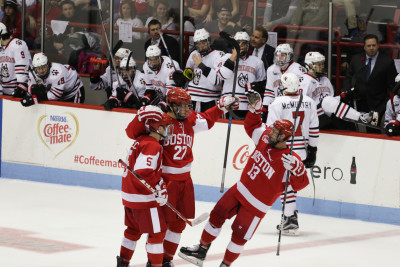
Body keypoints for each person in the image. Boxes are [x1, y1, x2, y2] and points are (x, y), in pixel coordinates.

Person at [178, 89, 309, 267]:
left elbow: (301, 183)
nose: (271, 133)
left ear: (286, 138)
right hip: (239, 189)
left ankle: (225, 264)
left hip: (256, 205)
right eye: (273, 130)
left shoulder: (289, 160)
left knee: (239, 237)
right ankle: (201, 251)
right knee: (216, 215)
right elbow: (253, 126)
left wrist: (297, 168)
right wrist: (255, 110)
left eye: (276, 132)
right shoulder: (265, 137)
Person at [125, 88, 239, 266]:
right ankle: (152, 261)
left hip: (185, 181)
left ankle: (166, 260)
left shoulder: (190, 119)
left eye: (188, 106)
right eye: (183, 106)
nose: (187, 110)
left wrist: (221, 107)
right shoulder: (160, 121)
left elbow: (207, 120)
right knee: (160, 227)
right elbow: (133, 133)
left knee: (179, 225)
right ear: (171, 105)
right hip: (166, 181)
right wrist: (140, 116)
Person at [116, 108, 174, 267]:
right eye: (166, 126)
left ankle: (123, 263)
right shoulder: (152, 145)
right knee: (157, 233)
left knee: (132, 231)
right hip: (143, 199)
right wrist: (159, 186)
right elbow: (143, 172)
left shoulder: (141, 139)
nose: (169, 130)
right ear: (158, 128)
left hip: (129, 196)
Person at [267, 72, 318, 235]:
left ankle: (290, 218)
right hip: (301, 151)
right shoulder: (309, 102)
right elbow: (314, 128)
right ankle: (290, 215)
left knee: (285, 185)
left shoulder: (277, 102)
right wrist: (313, 149)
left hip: (284, 150)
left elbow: (271, 130)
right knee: (289, 184)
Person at [301, 51, 379, 129]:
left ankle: (354, 126)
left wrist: (343, 96)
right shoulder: (304, 81)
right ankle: (361, 118)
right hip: (312, 117)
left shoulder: (325, 79)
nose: (322, 66)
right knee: (327, 101)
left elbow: (331, 101)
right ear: (310, 65)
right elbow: (302, 106)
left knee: (344, 102)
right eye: (319, 64)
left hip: (326, 116)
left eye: (322, 64)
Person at [343, 34, 398, 127]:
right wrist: (348, 95)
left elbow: (392, 86)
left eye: (374, 45)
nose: (371, 48)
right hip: (358, 104)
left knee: (373, 134)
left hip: (377, 106)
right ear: (364, 47)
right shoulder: (356, 59)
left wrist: (382, 108)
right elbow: (348, 77)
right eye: (369, 46)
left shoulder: (387, 62)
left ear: (378, 46)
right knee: (355, 132)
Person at [218, 31, 266, 118]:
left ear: (248, 45)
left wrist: (254, 88)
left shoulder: (257, 62)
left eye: (244, 43)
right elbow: (223, 75)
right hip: (229, 104)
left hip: (249, 106)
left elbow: (261, 84)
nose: (240, 45)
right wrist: (233, 57)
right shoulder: (225, 58)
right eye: (238, 43)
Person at [21, 52, 85, 106]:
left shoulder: (58, 72)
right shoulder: (32, 73)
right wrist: (33, 91)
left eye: (43, 67)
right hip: (61, 93)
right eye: (38, 68)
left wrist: (37, 97)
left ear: (48, 64)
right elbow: (30, 90)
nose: (41, 71)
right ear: (35, 68)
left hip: (74, 91)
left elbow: (55, 96)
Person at [262, 43, 306, 122]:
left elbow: (301, 93)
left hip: (291, 107)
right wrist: (265, 107)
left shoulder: (298, 70)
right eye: (277, 55)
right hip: (277, 107)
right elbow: (270, 91)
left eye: (282, 55)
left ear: (291, 56)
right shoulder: (271, 70)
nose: (279, 58)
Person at [186, 28, 225, 112]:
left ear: (209, 41)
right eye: (198, 44)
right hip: (192, 98)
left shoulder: (219, 55)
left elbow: (217, 80)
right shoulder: (194, 54)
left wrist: (201, 65)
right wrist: (184, 76)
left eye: (203, 42)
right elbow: (188, 75)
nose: (201, 46)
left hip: (210, 100)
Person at [0, 22, 31, 97]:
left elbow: (23, 67)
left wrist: (21, 86)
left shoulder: (18, 45)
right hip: (4, 92)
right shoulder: (1, 48)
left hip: (18, 92)